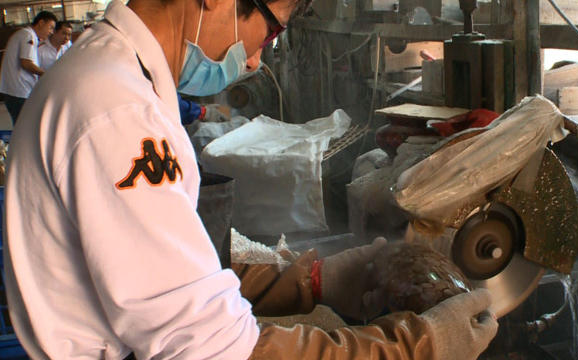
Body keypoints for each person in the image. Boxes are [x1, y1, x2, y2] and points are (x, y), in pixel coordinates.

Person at [4, 0, 498, 359]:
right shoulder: (116, 112)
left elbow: (163, 274)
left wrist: (311, 281)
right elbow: (207, 349)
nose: (257, 60)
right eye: (268, 33)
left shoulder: (112, 77)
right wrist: (411, 349)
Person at [0, 11, 57, 124]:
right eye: (50, 27)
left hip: (17, 91)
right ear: (41, 23)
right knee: (24, 125)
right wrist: (46, 74)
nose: (51, 32)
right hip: (19, 92)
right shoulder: (28, 35)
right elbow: (26, 63)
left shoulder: (27, 35)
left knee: (22, 125)